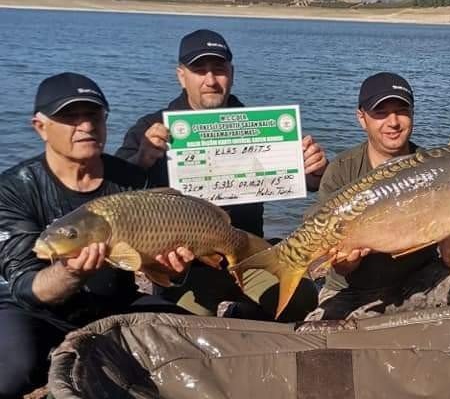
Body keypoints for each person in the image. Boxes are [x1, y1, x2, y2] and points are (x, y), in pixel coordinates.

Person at [0, 73, 194, 399]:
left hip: (112, 304)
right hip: (32, 310)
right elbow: (26, 285)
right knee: (7, 370)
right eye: (70, 117)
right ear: (40, 127)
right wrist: (70, 270)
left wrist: (175, 269)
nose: (86, 125)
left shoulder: (129, 180)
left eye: (95, 116)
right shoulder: (14, 188)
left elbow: (156, 268)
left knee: (188, 343)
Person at [116, 29, 327, 319]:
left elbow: (297, 181)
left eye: (219, 69)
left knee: (300, 300)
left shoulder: (260, 127)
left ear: (232, 72)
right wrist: (140, 160)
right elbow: (114, 192)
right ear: (181, 76)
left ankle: (245, 315)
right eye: (199, 70)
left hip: (246, 252)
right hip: (186, 266)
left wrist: (314, 173)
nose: (211, 80)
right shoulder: (151, 128)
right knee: (185, 327)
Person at [306, 72, 450, 320]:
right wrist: (346, 260)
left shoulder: (437, 168)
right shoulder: (341, 170)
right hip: (354, 290)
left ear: (412, 113)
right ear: (362, 118)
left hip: (418, 283)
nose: (393, 122)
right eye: (380, 113)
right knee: (321, 340)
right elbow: (339, 269)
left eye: (401, 110)